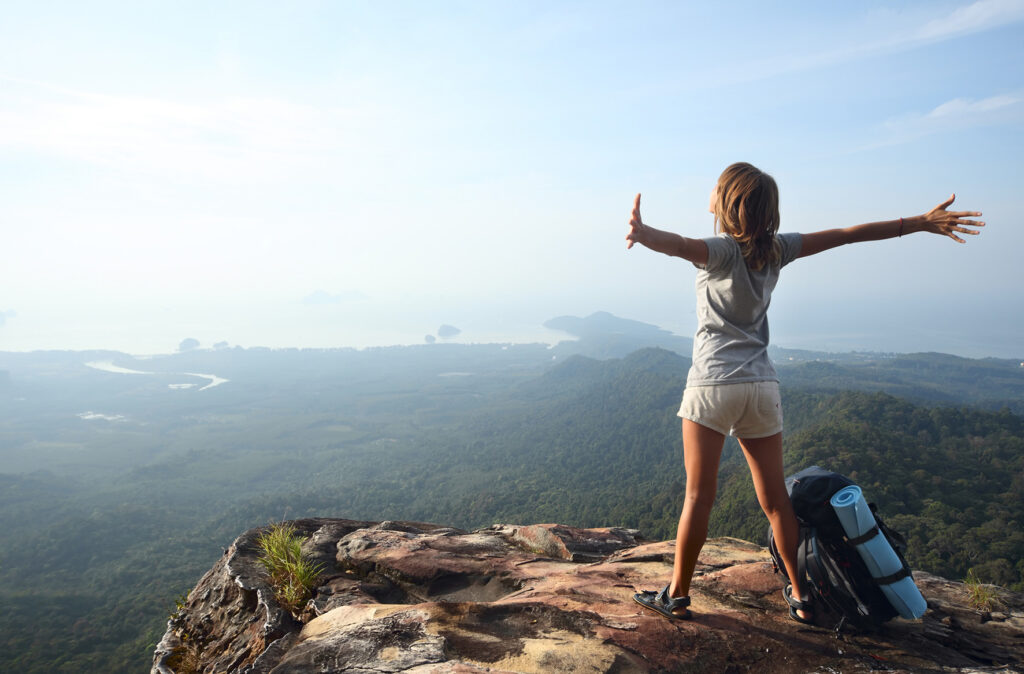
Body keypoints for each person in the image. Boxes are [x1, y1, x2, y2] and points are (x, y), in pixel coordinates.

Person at [626, 162, 984, 623]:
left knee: (699, 497)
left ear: (728, 204)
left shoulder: (719, 251)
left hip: (713, 384)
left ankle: (676, 595)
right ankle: (801, 595)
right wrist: (917, 223)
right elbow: (847, 234)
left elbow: (677, 246)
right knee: (776, 500)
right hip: (761, 386)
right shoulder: (778, 249)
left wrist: (644, 232)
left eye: (716, 192)